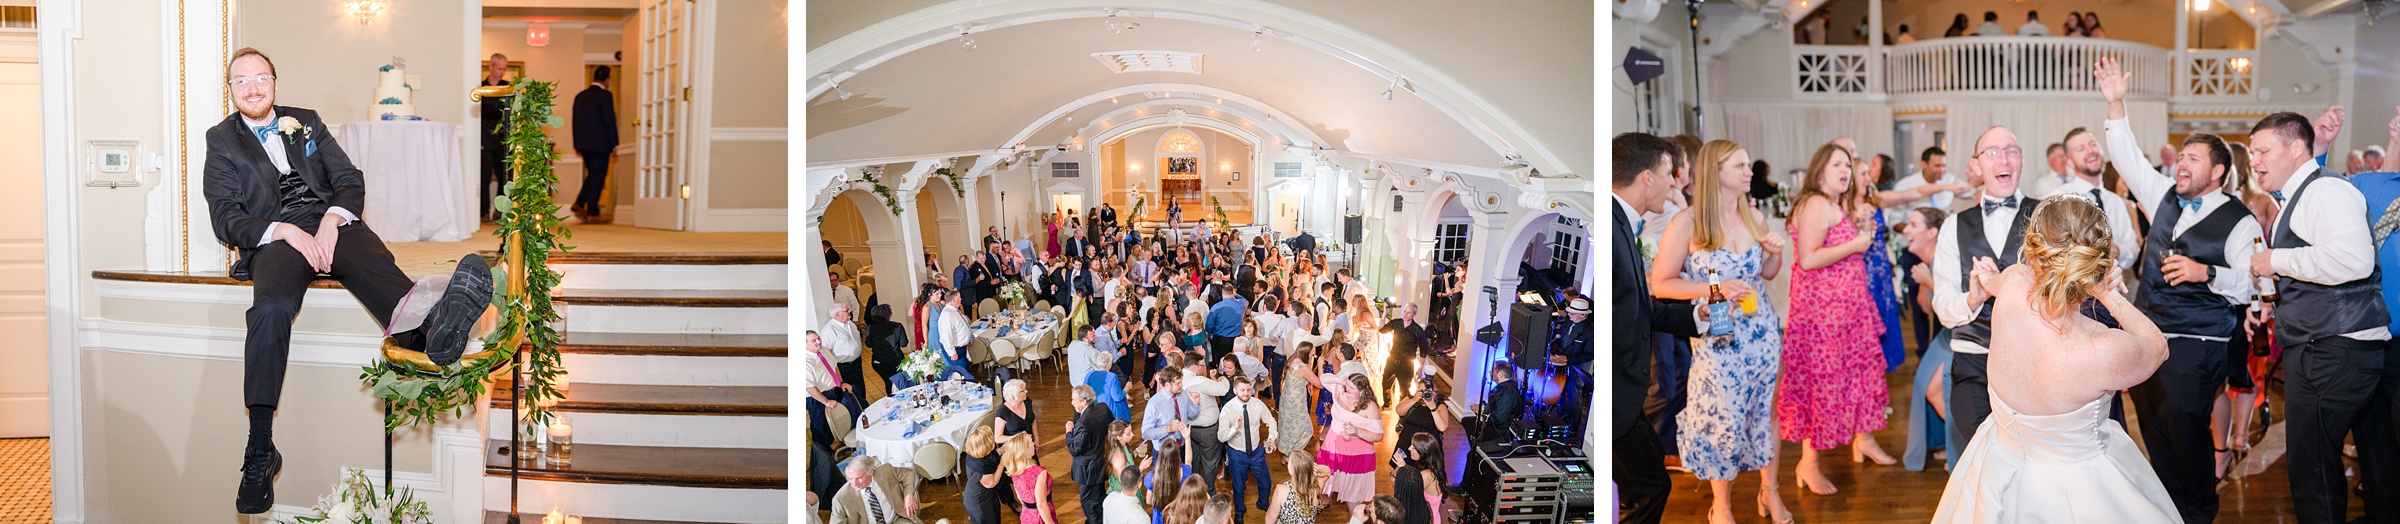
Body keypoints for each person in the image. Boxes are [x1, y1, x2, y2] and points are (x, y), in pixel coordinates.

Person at [208, 47, 500, 513]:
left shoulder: (306, 120)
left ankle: (431, 333)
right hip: (275, 238)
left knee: (375, 270)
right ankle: (260, 447)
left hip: (331, 222)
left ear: (275, 84)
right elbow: (225, 218)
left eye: (261, 77)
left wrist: (330, 220)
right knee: (271, 308)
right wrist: (284, 230)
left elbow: (349, 177)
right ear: (230, 90)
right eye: (241, 81)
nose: (253, 87)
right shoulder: (221, 139)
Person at [1929, 196, 2178, 523]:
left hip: (1995, 461)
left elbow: (1992, 283)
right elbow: (2157, 346)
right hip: (2079, 486)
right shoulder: (2101, 348)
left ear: (2033, 250)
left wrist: (1987, 278)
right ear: (2098, 263)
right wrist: (2107, 293)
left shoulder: (2014, 282)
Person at [2097, 57, 2262, 523]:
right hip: (2147, 332)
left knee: (2185, 428)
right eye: (2181, 156)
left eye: (2193, 158)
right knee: (2152, 423)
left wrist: (2205, 273)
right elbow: (2126, 154)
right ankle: (2169, 510)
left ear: (2219, 172)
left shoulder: (2240, 220)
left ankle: (2198, 511)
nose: (2182, 163)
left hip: (2198, 341)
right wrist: (2116, 103)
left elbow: (2254, 281)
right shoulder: (2163, 195)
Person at [2243, 110, 2395, 523]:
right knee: (2338, 461)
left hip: (2332, 347)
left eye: (2262, 150)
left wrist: (2276, 259)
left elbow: (2353, 260)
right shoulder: (2301, 194)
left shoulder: (2325, 190)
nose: (2254, 161)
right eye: (2251, 152)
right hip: (2326, 344)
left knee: (2311, 468)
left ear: (2295, 149)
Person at [1644, 138, 1794, 522]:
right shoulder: (1687, 222)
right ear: (1717, 173)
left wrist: (1774, 251)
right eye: (1740, 167)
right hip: (1718, 337)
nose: (1749, 173)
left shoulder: (1754, 217)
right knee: (1721, 416)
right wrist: (1714, 290)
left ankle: (1770, 492)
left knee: (1765, 412)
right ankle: (1721, 505)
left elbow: (1766, 275)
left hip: (1761, 332)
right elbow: (1662, 283)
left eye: (1747, 165)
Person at [1780, 142, 1894, 495]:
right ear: (1819, 171)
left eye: (1848, 165)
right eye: (1837, 165)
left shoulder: (1831, 204)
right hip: (1823, 315)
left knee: (1845, 383)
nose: (1845, 171)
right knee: (1822, 386)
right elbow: (1809, 258)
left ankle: (1859, 443)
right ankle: (1808, 464)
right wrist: (1856, 244)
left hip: (1843, 312)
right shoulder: (1815, 203)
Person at [1610, 133, 1706, 524]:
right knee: (1651, 488)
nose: (1673, 181)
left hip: (1627, 401)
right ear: (1647, 177)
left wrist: (1697, 318)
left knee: (1653, 486)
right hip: (1620, 399)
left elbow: (1639, 307)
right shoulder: (1615, 229)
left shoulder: (1626, 224)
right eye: (1668, 172)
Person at [1933, 125, 2037, 479]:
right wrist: (1973, 297)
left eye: (2011, 150)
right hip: (1974, 361)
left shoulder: (2047, 219)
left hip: (2036, 364)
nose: (2003, 158)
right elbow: (1943, 303)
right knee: (1988, 461)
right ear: (1976, 165)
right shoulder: (1953, 226)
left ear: (2021, 160)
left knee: (2031, 465)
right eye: (1991, 152)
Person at [1900, 207, 1958, 473]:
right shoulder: (1926, 261)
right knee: (1924, 383)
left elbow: (1957, 307)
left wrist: (1930, 281)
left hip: (1959, 335)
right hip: (1945, 335)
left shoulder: (1947, 261)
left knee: (1936, 390)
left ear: (1932, 232)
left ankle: (1970, 445)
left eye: (1913, 225)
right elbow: (1926, 308)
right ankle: (1949, 439)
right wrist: (1926, 280)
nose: (1906, 230)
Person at [1319, 373, 1385, 520]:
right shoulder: (1340, 390)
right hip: (1333, 445)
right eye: (1347, 386)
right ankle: (1325, 500)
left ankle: (1355, 520)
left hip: (1357, 453)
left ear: (1362, 391)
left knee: (1353, 495)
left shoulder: (1370, 406)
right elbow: (1323, 379)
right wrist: (1341, 380)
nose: (1347, 389)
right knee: (1324, 479)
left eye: (1352, 388)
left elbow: (1379, 435)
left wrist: (1357, 431)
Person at [1219, 377, 1279, 521]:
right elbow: (1221, 437)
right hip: (1237, 453)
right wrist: (1235, 428)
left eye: (1248, 390)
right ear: (1235, 391)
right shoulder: (1228, 409)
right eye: (1242, 390)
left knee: (1266, 482)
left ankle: (1263, 503)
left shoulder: (1257, 404)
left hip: (1256, 451)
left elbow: (1271, 421)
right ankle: (1239, 511)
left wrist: (1271, 439)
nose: (1246, 393)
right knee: (1238, 487)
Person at [569, 65, 618, 220]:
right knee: (598, 176)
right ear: (607, 79)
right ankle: (592, 212)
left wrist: (576, 143)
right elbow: (609, 120)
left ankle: (580, 202)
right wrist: (614, 143)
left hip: (584, 144)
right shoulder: (605, 96)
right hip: (601, 144)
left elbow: (574, 121)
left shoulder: (580, 96)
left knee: (593, 175)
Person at [1179, 359, 1230, 494]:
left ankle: (1194, 490)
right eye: (1202, 366)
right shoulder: (1200, 381)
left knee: (1192, 460)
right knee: (1209, 462)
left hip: (1189, 429)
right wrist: (1222, 379)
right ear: (1195, 366)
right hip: (1207, 430)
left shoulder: (1179, 380)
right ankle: (1208, 491)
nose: (1203, 369)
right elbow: (1223, 390)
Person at [1068, 384, 1116, 524]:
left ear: (1084, 402)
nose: (1071, 403)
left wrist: (1068, 432)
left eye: (1074, 400)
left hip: (1089, 470)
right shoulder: (1103, 408)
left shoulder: (1083, 423)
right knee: (1099, 496)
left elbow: (1074, 449)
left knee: (1088, 502)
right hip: (1103, 461)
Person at [477, 53, 514, 222]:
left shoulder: (507, 88)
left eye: (504, 69)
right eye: (499, 68)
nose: (502, 72)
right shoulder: (481, 88)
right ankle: (483, 211)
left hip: (503, 138)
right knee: (484, 175)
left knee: (504, 175)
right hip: (484, 136)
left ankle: (501, 210)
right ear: (491, 67)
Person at [830, 456, 922, 524]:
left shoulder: (886, 471)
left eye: (859, 478)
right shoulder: (840, 499)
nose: (854, 483)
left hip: (896, 520)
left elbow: (909, 473)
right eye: (851, 478)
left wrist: (908, 495)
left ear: (870, 472)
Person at [1002, 435, 1058, 524]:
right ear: (1025, 450)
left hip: (1027, 514)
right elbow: (1041, 504)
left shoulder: (1015, 470)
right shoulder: (1040, 472)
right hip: (1041, 517)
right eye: (1031, 442)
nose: (1033, 443)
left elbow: (1020, 497)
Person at [1262, 452, 1324, 524]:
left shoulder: (1281, 490)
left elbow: (1270, 519)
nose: (1287, 459)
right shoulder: (1317, 485)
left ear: (1291, 470)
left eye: (1289, 461)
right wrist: (1317, 467)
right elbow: (1327, 472)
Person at [961, 425, 1005, 524]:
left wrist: (1002, 450)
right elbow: (992, 482)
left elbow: (990, 457)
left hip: (986, 496)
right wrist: (1002, 463)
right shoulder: (981, 466)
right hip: (980, 503)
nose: (993, 437)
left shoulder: (975, 453)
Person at [822, 303, 867, 400]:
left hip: (856, 363)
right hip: (843, 367)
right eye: (846, 310)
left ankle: (864, 409)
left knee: (860, 389)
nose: (849, 311)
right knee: (849, 394)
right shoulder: (829, 331)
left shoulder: (849, 323)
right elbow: (826, 354)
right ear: (837, 315)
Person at [1476, 361, 1527, 443]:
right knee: (1467, 421)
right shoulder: (1503, 389)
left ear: (1500, 374)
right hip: (1494, 429)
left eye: (1492, 370)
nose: (1490, 372)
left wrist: (1481, 412)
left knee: (1469, 424)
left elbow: (1499, 419)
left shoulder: (1507, 394)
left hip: (1499, 435)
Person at [996, 379, 1037, 444]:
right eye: (1023, 391)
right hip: (1015, 448)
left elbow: (1033, 420)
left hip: (1029, 445)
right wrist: (1020, 437)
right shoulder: (1002, 412)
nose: (1026, 391)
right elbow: (998, 438)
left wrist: (1036, 439)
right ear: (1013, 395)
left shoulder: (1027, 402)